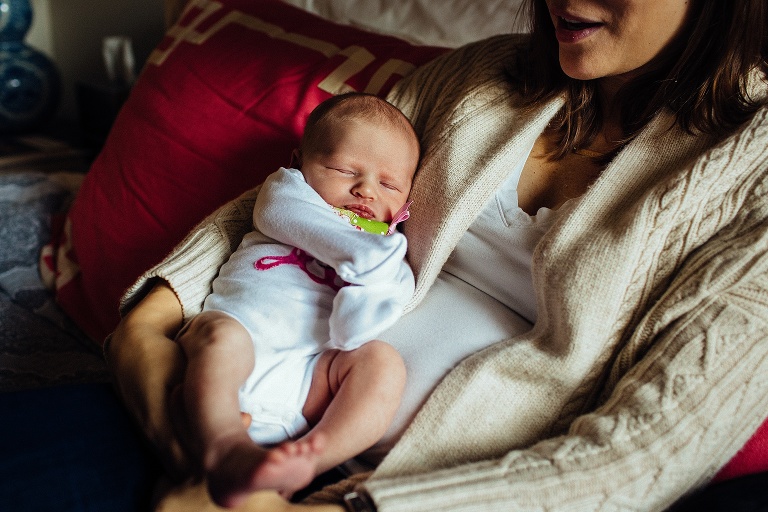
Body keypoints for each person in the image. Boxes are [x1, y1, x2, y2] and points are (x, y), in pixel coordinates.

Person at [106, 0, 768, 510]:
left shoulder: (752, 171)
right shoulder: (482, 74)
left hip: (392, 491)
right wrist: (147, 327)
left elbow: (646, 454)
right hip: (233, 391)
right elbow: (312, 194)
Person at [168, 93, 418, 507]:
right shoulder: (286, 196)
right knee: (219, 336)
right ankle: (224, 445)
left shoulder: (388, 251)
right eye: (344, 170)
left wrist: (376, 279)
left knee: (381, 364)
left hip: (309, 383)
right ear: (299, 162)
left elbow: (357, 329)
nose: (365, 190)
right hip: (240, 347)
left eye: (388, 183)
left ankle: (311, 458)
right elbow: (279, 213)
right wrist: (362, 254)